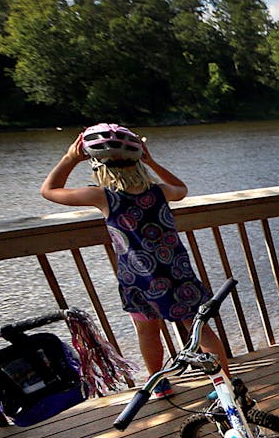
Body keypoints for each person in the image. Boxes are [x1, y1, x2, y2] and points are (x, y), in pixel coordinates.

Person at [41, 123, 230, 397]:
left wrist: (69, 158)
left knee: (147, 331)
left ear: (98, 167)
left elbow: (49, 190)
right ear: (138, 161)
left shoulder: (103, 196)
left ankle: (158, 383)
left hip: (138, 277)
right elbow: (182, 188)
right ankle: (223, 382)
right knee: (198, 327)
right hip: (175, 269)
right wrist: (151, 160)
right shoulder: (159, 191)